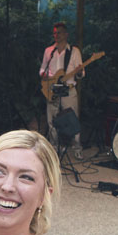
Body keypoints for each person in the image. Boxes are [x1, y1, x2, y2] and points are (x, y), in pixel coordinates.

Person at [37, 22, 84, 153]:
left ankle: (76, 147)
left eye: (59, 32)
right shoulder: (49, 51)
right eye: (55, 33)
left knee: (72, 118)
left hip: (68, 88)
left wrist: (79, 71)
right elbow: (42, 68)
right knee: (51, 118)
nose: (56, 35)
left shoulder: (74, 51)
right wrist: (44, 75)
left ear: (66, 34)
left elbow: (81, 73)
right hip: (52, 88)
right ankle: (54, 146)